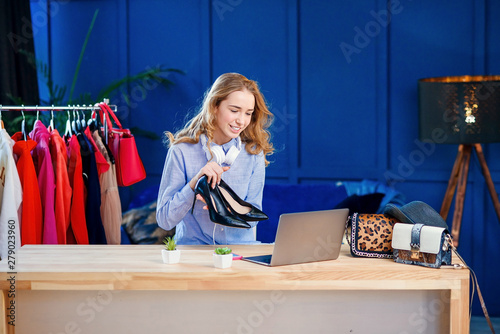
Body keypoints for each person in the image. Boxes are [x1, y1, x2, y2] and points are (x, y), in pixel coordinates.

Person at [156, 73, 274, 245]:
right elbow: (164, 220)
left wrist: (230, 208)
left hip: (241, 254)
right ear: (215, 106)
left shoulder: (254, 153)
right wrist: (194, 184)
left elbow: (254, 219)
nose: (241, 121)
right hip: (194, 254)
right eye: (234, 110)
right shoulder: (181, 151)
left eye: (248, 113)